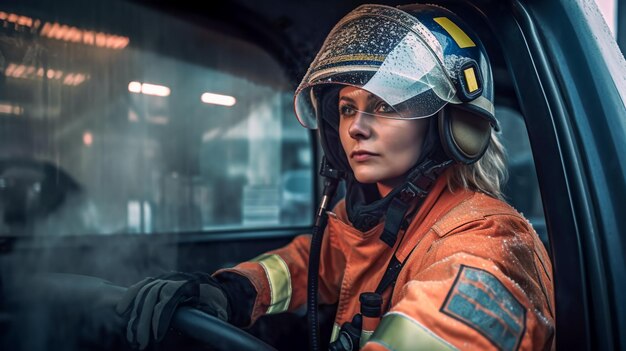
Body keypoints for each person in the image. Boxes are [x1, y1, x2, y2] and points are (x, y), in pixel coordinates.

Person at [115, 4, 555, 350]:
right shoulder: (377, 217)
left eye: (385, 105)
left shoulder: (488, 240)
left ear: (451, 125)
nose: (356, 128)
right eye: (347, 108)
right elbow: (314, 262)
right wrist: (231, 292)